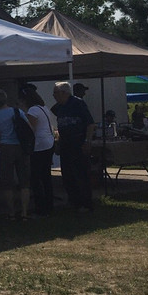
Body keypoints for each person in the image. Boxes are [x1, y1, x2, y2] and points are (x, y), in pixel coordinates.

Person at [0, 87, 31, 221]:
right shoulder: (17, 111)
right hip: (21, 147)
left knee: (7, 182)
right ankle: (24, 212)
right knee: (24, 181)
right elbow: (29, 128)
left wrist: (0, 143)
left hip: (6, 148)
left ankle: (11, 212)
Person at [51, 82, 95, 211]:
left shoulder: (78, 103)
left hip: (78, 143)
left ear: (64, 93)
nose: (54, 96)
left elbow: (90, 124)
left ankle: (85, 203)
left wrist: (87, 141)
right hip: (65, 144)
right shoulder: (59, 107)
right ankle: (74, 201)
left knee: (81, 174)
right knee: (68, 175)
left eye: (55, 93)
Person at [20, 86, 55, 216]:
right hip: (49, 143)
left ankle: (40, 206)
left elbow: (31, 129)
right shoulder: (44, 108)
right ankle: (49, 204)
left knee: (36, 177)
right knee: (46, 176)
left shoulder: (33, 110)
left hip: (39, 145)